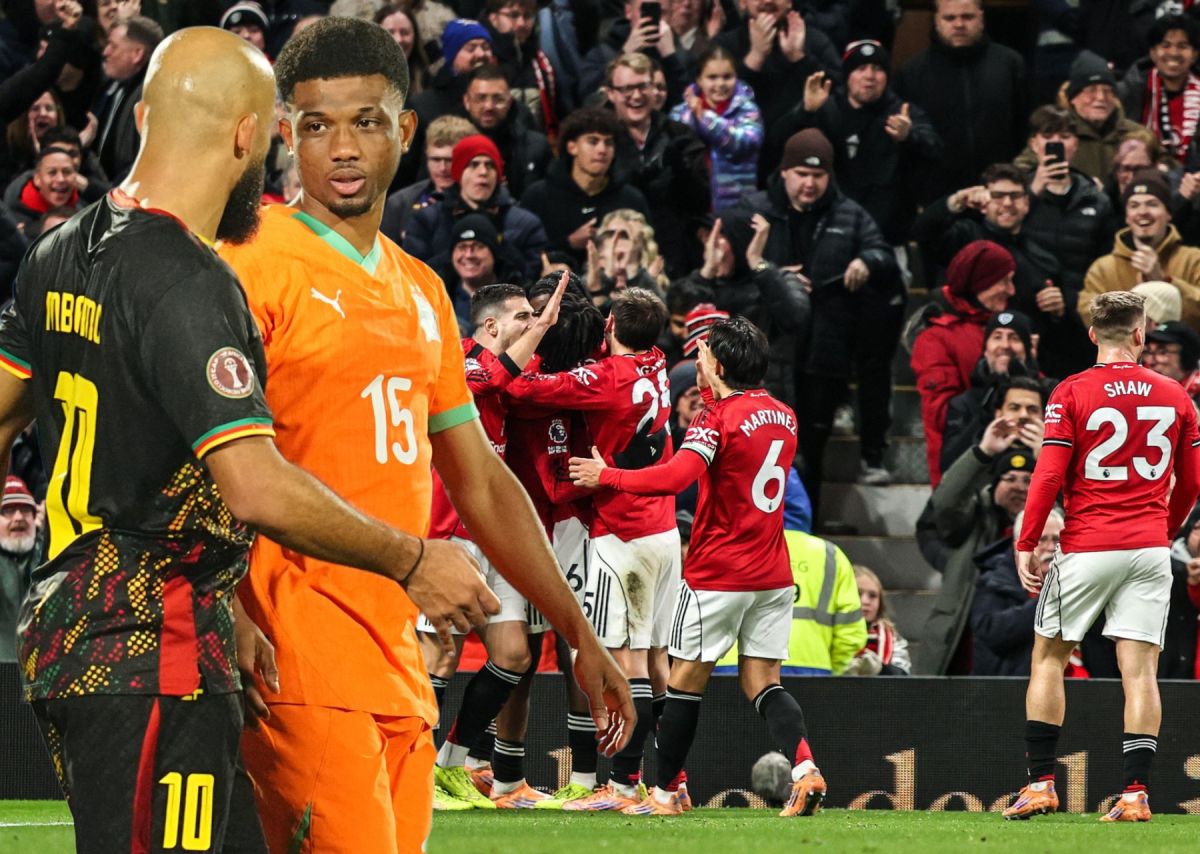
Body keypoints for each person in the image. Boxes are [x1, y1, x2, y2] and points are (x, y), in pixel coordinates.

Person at [0, 26, 492, 854]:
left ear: (145, 115)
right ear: (247, 137)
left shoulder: (59, 248)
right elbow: (256, 485)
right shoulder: (193, 282)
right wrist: (412, 559)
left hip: (77, 642)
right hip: (152, 652)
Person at [217, 19, 633, 852]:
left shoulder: (422, 291)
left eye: (365, 122)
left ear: (404, 130)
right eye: (316, 125)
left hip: (398, 661)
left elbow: (479, 479)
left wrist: (579, 633)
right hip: (291, 653)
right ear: (285, 134)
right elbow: (189, 455)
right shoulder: (244, 262)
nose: (342, 147)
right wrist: (224, 605)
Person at [568, 318, 829, 818]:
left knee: (684, 684)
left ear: (720, 366)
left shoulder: (717, 419)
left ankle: (667, 794)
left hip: (719, 573)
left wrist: (608, 475)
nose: (700, 362)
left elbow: (676, 477)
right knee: (763, 681)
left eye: (706, 355)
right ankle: (804, 769)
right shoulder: (785, 415)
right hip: (772, 574)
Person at [1007, 290, 1200, 822]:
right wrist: (1164, 529)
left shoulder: (1071, 391)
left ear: (1093, 334)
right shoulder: (1175, 395)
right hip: (1148, 548)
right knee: (1140, 673)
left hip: (1087, 545)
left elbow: (1048, 474)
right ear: (1141, 333)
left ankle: (1041, 784)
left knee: (1049, 657)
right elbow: (1191, 482)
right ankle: (1135, 794)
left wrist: (1026, 541)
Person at [506, 288, 679, 811]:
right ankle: (671, 782)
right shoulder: (656, 362)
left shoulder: (605, 378)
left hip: (623, 532)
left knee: (624, 661)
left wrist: (538, 338)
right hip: (664, 529)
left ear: (610, 325)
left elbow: (523, 388)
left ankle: (621, 786)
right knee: (656, 661)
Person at [419, 281, 570, 809]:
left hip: (494, 533)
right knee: (441, 655)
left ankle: (451, 763)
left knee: (513, 655)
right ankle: (416, 779)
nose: (532, 323)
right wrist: (542, 327)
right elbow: (493, 375)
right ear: (490, 327)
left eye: (533, 316)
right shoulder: (458, 362)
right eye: (522, 317)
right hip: (448, 532)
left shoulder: (512, 367)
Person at [743, 128, 900, 497]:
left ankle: (806, 523)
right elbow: (734, 272)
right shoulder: (756, 210)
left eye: (818, 175)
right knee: (764, 446)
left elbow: (884, 254)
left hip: (825, 352)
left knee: (811, 448)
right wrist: (777, 278)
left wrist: (867, 260)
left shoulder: (849, 214)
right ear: (784, 171)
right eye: (802, 174)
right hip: (769, 350)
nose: (809, 184)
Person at [769, 38, 942, 247]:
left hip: (888, 235)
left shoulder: (902, 114)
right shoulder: (825, 107)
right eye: (861, 68)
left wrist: (908, 136)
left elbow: (935, 151)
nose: (869, 76)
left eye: (877, 69)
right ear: (848, 75)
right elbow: (776, 144)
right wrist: (805, 112)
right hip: (826, 232)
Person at [916, 432, 1040, 676]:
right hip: (963, 646)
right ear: (994, 485)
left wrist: (1050, 458)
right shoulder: (973, 521)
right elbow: (945, 504)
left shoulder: (1050, 528)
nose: (1019, 487)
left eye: (1028, 480)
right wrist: (981, 453)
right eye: (1010, 478)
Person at [894, 0, 1028, 202]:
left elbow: (1024, 126)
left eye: (967, 17)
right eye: (949, 18)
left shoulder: (1010, 64)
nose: (959, 24)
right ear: (936, 21)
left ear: (981, 18)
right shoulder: (912, 72)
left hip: (1000, 194)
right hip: (936, 195)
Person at [911, 240, 1016, 486]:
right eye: (1003, 281)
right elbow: (941, 416)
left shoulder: (1000, 328)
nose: (1011, 290)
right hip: (960, 470)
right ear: (980, 282)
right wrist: (990, 383)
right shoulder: (936, 338)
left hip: (1009, 467)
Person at [605, 51, 710, 277]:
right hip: (616, 255)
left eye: (643, 86)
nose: (636, 96)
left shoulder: (679, 134)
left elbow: (702, 200)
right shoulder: (600, 137)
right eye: (627, 89)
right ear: (611, 94)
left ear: (654, 89)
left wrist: (682, 172)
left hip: (674, 254)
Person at [402, 132, 546, 280]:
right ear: (458, 172)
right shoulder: (426, 220)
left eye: (490, 165)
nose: (483, 172)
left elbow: (532, 278)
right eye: (474, 165)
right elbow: (413, 274)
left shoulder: (525, 224)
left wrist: (498, 244)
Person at [520, 106, 649, 266]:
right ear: (572, 147)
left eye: (608, 143)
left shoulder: (630, 199)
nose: (602, 150)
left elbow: (647, 252)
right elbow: (523, 256)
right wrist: (568, 244)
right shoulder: (538, 196)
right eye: (593, 141)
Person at [1080, 168, 1200, 328]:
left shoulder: (1193, 260)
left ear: (1168, 214)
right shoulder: (1103, 269)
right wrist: (1134, 300)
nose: (1142, 212)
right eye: (1134, 205)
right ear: (1127, 217)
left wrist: (1164, 283)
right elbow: (1090, 316)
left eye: (1152, 204)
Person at [668, 43, 763, 212]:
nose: (720, 83)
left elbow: (743, 144)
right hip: (692, 207)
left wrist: (705, 117)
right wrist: (694, 116)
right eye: (712, 77)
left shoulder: (748, 110)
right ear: (699, 80)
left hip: (738, 209)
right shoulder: (680, 113)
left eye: (727, 77)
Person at [939, 322, 1043, 475]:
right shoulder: (965, 402)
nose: (1005, 345)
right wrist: (983, 444)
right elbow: (948, 468)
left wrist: (1051, 456)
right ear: (985, 350)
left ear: (1029, 349)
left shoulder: (1054, 393)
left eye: (1014, 338)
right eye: (997, 337)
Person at [971, 508, 1064, 677]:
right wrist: (1048, 602)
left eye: (1057, 540)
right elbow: (991, 633)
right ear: (1018, 547)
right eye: (1041, 540)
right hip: (1011, 685)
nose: (1051, 548)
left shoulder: (1078, 581)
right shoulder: (994, 582)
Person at [1117, 15, 1200, 168]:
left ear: (1195, 54)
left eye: (1182, 46)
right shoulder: (1129, 92)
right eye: (1165, 45)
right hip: (1140, 174)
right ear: (1153, 53)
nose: (1174, 53)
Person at [461, 63, 551, 199]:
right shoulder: (451, 145)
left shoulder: (536, 147)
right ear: (467, 101)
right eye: (481, 98)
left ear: (509, 102)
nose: (489, 106)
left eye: (498, 99)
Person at [381, 114, 475, 239]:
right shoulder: (400, 203)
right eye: (436, 159)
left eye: (450, 160)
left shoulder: (487, 200)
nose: (442, 168)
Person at [93, 15, 162, 182]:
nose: (105, 52)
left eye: (113, 46)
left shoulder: (152, 97)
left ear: (137, 54)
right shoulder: (111, 87)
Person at [0, 475, 40, 663]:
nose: (18, 517)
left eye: (25, 510)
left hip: (41, 671)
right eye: (8, 511)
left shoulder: (51, 557)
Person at [845, 565, 911, 676]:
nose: (865, 601)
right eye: (858, 593)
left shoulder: (892, 638)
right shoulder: (827, 633)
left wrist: (880, 669)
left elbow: (903, 678)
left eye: (872, 596)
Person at [5, 146, 79, 232]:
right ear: (37, 179)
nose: (61, 179)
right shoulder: (11, 220)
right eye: (52, 172)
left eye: (67, 172)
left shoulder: (85, 212)